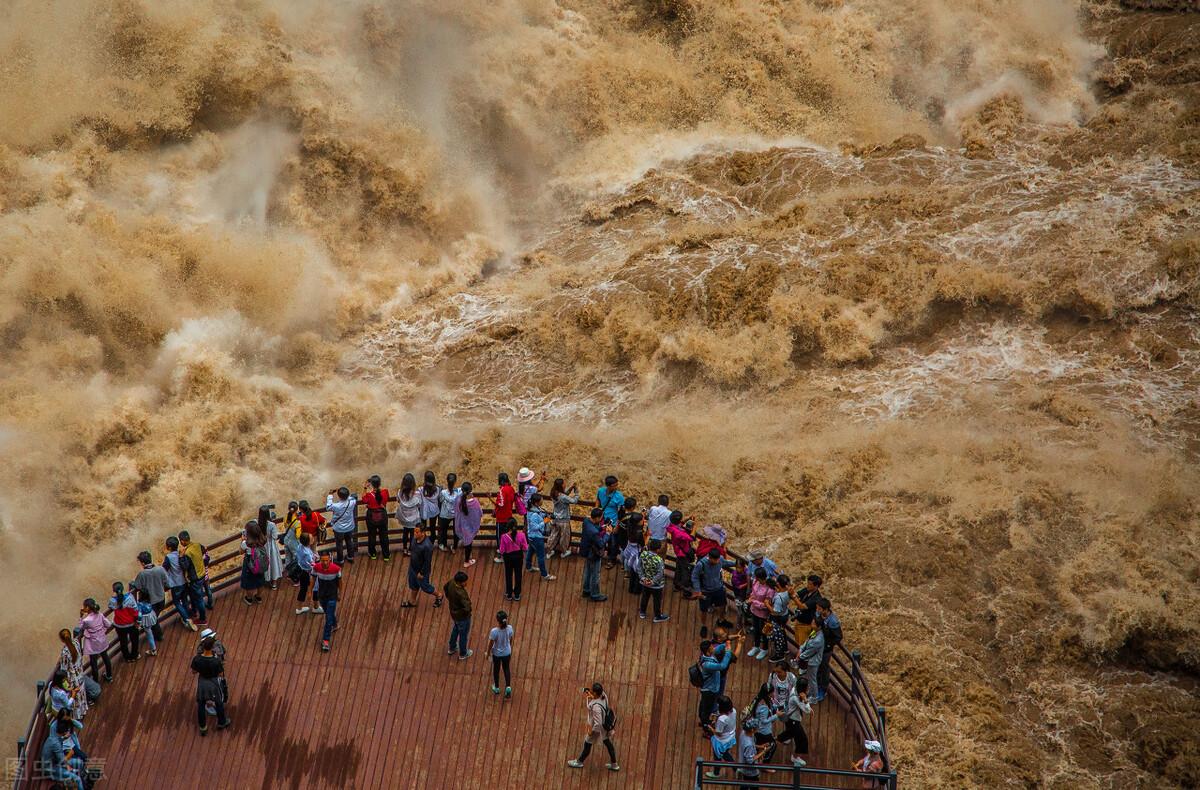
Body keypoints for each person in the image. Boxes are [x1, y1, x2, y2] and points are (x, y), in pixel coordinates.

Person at [566, 683, 619, 772]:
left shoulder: (596, 708)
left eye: (592, 691)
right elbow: (597, 697)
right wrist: (589, 693)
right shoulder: (603, 695)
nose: (590, 692)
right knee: (608, 744)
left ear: (595, 693)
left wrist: (591, 732)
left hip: (598, 728)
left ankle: (579, 762)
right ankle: (614, 764)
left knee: (587, 744)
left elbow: (598, 723)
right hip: (605, 726)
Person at [191, 634, 231, 735]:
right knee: (218, 702)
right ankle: (222, 722)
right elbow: (221, 674)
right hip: (214, 683)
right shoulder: (216, 661)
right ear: (212, 647)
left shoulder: (197, 659)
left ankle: (203, 727)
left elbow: (194, 671)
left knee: (201, 704)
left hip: (202, 682)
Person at [39, 715, 88, 790]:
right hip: (50, 768)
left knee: (79, 762)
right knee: (77, 778)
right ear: (64, 732)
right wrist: (70, 768)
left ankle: (84, 782)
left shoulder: (55, 737)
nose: (69, 733)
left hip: (56, 761)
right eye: (67, 731)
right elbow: (62, 761)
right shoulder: (56, 744)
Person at [403, 524, 443, 609]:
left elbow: (427, 562)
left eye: (417, 532)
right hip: (413, 567)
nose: (415, 534)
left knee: (425, 587)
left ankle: (439, 595)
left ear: (423, 533)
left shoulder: (427, 546)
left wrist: (421, 572)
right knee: (413, 584)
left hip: (422, 571)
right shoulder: (414, 539)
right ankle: (412, 601)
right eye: (414, 531)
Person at [692, 548, 735, 628]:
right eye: (715, 560)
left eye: (718, 559)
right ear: (709, 557)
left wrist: (736, 563)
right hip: (705, 591)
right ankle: (703, 625)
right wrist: (697, 590)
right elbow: (695, 577)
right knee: (704, 610)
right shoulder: (701, 564)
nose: (717, 562)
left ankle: (721, 620)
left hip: (718, 588)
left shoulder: (720, 559)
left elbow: (726, 563)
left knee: (722, 605)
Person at [162, 536, 197, 631]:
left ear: (169, 548)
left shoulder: (168, 557)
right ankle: (188, 614)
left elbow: (164, 568)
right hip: (184, 582)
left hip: (175, 583)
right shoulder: (181, 554)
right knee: (184, 600)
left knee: (177, 602)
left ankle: (187, 618)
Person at [310, 549, 342, 651]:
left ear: (330, 560)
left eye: (326, 560)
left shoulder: (336, 569)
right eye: (322, 560)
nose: (324, 562)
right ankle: (336, 624)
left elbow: (340, 582)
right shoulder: (316, 568)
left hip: (332, 596)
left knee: (328, 619)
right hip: (322, 595)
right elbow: (313, 579)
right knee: (328, 612)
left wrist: (340, 593)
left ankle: (325, 641)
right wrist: (309, 591)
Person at [133, 551, 168, 643]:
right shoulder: (160, 569)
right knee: (154, 617)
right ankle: (158, 634)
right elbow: (167, 583)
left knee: (153, 619)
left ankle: (159, 635)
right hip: (161, 599)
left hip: (150, 602)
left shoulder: (142, 574)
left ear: (143, 563)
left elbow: (137, 586)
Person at [696, 639, 733, 726]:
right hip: (710, 691)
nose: (714, 647)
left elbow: (719, 648)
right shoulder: (707, 664)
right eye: (712, 647)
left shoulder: (707, 655)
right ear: (709, 650)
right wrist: (728, 652)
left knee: (703, 706)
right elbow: (722, 666)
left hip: (707, 688)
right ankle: (705, 725)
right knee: (707, 708)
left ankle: (702, 719)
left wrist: (726, 643)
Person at [777, 678, 812, 766]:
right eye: (807, 686)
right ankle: (795, 758)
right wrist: (806, 700)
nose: (808, 687)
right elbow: (806, 710)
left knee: (789, 733)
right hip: (794, 721)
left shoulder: (794, 690)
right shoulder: (796, 698)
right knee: (802, 739)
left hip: (790, 719)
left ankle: (773, 741)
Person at [178, 531, 210, 622]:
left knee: (199, 599)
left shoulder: (188, 552)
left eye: (180, 541)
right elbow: (204, 550)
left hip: (195, 578)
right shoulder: (197, 545)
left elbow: (184, 566)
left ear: (183, 541)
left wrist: (181, 556)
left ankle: (203, 619)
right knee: (195, 596)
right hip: (202, 574)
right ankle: (194, 611)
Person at [579, 507, 610, 603]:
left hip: (586, 551)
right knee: (595, 574)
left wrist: (601, 528)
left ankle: (586, 590)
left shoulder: (586, 521)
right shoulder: (594, 532)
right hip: (593, 553)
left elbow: (593, 528)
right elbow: (601, 543)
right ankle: (595, 594)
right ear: (597, 518)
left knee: (588, 571)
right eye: (600, 518)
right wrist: (607, 534)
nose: (601, 519)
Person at [523, 493, 556, 581]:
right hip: (536, 537)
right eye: (541, 500)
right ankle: (545, 575)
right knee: (541, 557)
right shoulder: (534, 514)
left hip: (531, 537)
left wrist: (545, 516)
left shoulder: (533, 510)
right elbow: (535, 527)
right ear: (537, 503)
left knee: (530, 551)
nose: (542, 501)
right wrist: (544, 522)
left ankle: (529, 566)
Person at [77, 599, 112, 682]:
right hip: (102, 640)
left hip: (93, 644)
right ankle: (109, 676)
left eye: (84, 607)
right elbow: (108, 624)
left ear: (88, 608)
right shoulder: (99, 614)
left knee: (94, 663)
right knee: (106, 657)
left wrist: (81, 616)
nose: (83, 608)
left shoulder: (87, 620)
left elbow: (81, 627)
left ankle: (96, 681)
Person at [56, 630, 89, 718]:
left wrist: (59, 660)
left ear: (62, 640)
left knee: (75, 697)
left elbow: (63, 668)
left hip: (72, 678)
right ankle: (83, 710)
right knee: (81, 693)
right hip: (80, 673)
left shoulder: (65, 652)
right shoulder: (76, 642)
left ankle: (77, 715)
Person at [815, 597, 842, 702]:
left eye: (819, 608)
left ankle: (823, 689)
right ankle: (816, 685)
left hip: (826, 649)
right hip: (817, 644)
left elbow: (838, 637)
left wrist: (829, 645)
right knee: (816, 666)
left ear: (825, 609)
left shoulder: (833, 621)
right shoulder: (819, 615)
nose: (817, 610)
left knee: (824, 668)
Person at [704, 696, 737, 779]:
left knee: (718, 756)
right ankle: (736, 768)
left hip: (721, 741)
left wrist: (710, 728)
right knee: (725, 754)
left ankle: (716, 773)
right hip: (730, 736)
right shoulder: (734, 711)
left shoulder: (722, 719)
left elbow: (718, 733)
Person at [637, 539, 670, 622]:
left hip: (645, 582)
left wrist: (643, 578)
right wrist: (653, 581)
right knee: (657, 600)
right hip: (656, 585)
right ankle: (657, 616)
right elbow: (660, 573)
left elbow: (639, 567)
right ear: (658, 549)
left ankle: (642, 612)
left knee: (645, 597)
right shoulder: (659, 560)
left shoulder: (643, 554)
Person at [107, 581, 140, 663]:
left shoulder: (112, 601)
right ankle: (134, 655)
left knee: (123, 642)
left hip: (119, 625)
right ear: (122, 589)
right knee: (134, 640)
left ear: (114, 591)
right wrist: (137, 621)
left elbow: (110, 606)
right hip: (131, 624)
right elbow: (135, 610)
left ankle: (127, 657)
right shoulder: (130, 597)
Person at [444, 570, 473, 660]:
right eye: (465, 582)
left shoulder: (451, 582)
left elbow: (445, 587)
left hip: (454, 613)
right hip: (462, 616)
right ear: (460, 582)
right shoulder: (461, 593)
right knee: (463, 634)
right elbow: (467, 607)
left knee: (456, 629)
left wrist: (450, 599)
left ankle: (452, 647)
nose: (466, 583)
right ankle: (463, 653)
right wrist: (467, 613)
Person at [362, 475, 391, 561]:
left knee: (372, 535)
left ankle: (373, 554)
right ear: (380, 483)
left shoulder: (369, 495)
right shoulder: (385, 492)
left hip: (371, 516)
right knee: (384, 536)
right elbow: (386, 499)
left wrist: (364, 488)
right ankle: (386, 555)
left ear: (371, 485)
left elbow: (364, 500)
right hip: (382, 515)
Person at [327, 485, 359, 563]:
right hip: (350, 527)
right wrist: (343, 493)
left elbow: (328, 507)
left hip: (339, 528)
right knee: (349, 541)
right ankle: (350, 557)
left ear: (339, 496)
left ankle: (340, 560)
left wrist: (330, 494)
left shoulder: (336, 506)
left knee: (339, 544)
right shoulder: (352, 502)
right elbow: (353, 497)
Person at [239, 518, 268, 605]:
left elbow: (240, 552)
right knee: (260, 581)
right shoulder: (263, 539)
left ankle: (249, 599)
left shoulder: (246, 543)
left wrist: (242, 540)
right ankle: (258, 597)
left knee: (249, 583)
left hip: (250, 565)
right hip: (260, 563)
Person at [487, 610, 514, 698]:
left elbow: (491, 643)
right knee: (506, 668)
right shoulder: (510, 628)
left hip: (497, 654)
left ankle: (497, 687)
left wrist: (488, 653)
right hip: (507, 652)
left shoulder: (494, 631)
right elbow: (511, 639)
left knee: (496, 669)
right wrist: (509, 647)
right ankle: (508, 687)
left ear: (498, 621)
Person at [491, 472, 517, 563]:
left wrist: (490, 498)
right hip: (509, 516)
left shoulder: (502, 490)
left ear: (501, 481)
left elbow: (501, 504)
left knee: (500, 538)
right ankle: (507, 553)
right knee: (508, 536)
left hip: (501, 517)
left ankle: (502, 556)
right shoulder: (511, 489)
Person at [547, 478, 578, 558]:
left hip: (555, 519)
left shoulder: (553, 493)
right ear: (561, 486)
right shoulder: (563, 497)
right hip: (564, 521)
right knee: (564, 537)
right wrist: (576, 492)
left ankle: (549, 551)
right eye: (564, 484)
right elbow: (574, 501)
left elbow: (564, 495)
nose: (565, 484)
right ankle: (564, 552)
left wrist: (571, 488)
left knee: (553, 536)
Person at [666, 512, 695, 595]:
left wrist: (687, 519)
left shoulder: (672, 527)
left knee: (679, 569)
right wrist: (695, 526)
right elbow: (691, 538)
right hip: (683, 553)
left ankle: (677, 585)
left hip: (678, 552)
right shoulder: (679, 533)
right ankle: (686, 591)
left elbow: (679, 524)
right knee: (686, 571)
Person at [499, 518, 528, 601]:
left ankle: (509, 593)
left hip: (508, 557)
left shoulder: (504, 537)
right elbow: (525, 547)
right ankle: (517, 594)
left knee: (508, 575)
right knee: (518, 574)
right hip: (518, 556)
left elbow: (502, 550)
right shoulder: (521, 535)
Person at [736, 718, 769, 790]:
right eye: (756, 728)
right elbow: (750, 760)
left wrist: (760, 746)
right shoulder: (749, 744)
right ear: (752, 730)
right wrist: (763, 751)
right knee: (754, 786)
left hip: (742, 765)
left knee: (744, 784)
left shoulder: (743, 733)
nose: (757, 729)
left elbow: (750, 745)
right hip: (750, 771)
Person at [256, 506, 284, 591]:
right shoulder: (271, 525)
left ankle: (264, 579)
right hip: (271, 546)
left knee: (262, 562)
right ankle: (274, 583)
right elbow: (275, 537)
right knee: (273, 562)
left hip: (261, 545)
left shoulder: (257, 523)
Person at [747, 568, 772, 660]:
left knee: (764, 632)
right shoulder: (756, 582)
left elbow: (767, 605)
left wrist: (753, 602)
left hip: (763, 614)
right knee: (756, 630)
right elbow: (753, 593)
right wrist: (751, 598)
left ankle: (764, 649)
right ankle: (756, 646)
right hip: (754, 611)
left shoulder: (769, 589)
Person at [768, 574, 794, 663]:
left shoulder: (779, 598)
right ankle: (785, 648)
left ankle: (780, 655)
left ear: (778, 584)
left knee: (778, 635)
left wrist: (767, 604)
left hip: (778, 618)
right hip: (785, 614)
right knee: (782, 632)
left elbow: (775, 612)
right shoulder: (788, 592)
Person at [455, 482, 482, 567]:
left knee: (467, 543)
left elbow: (457, 511)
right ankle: (466, 561)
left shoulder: (459, 500)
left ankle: (468, 558)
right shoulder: (475, 502)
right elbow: (480, 513)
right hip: (471, 526)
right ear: (471, 490)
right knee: (468, 544)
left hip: (463, 526)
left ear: (462, 490)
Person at [797, 621, 826, 701]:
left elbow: (809, 652)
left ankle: (814, 697)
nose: (811, 624)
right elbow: (807, 641)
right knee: (810, 677)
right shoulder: (814, 632)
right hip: (809, 660)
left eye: (814, 623)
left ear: (819, 626)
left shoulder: (818, 640)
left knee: (812, 679)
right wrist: (801, 648)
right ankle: (811, 692)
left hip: (813, 662)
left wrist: (800, 656)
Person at [395, 474, 422, 557]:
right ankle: (410, 550)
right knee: (413, 534)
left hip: (404, 517)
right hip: (413, 518)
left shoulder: (400, 492)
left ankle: (404, 549)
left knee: (405, 533)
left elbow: (398, 500)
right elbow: (419, 504)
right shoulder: (416, 494)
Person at [293, 532, 319, 615]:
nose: (313, 539)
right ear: (308, 542)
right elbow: (312, 564)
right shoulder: (307, 553)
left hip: (301, 570)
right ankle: (316, 607)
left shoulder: (300, 546)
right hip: (308, 573)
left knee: (303, 589)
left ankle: (299, 608)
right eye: (311, 538)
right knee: (315, 588)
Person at [437, 473, 460, 552]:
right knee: (456, 531)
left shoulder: (443, 492)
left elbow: (440, 500)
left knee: (443, 530)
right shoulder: (459, 491)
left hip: (445, 514)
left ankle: (443, 545)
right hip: (455, 514)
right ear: (455, 481)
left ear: (447, 481)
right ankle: (454, 547)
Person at [133, 587, 159, 657]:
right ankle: (153, 649)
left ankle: (153, 650)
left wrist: (138, 622)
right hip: (151, 615)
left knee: (149, 634)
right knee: (149, 631)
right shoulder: (149, 600)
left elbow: (140, 614)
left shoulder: (140, 604)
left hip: (145, 619)